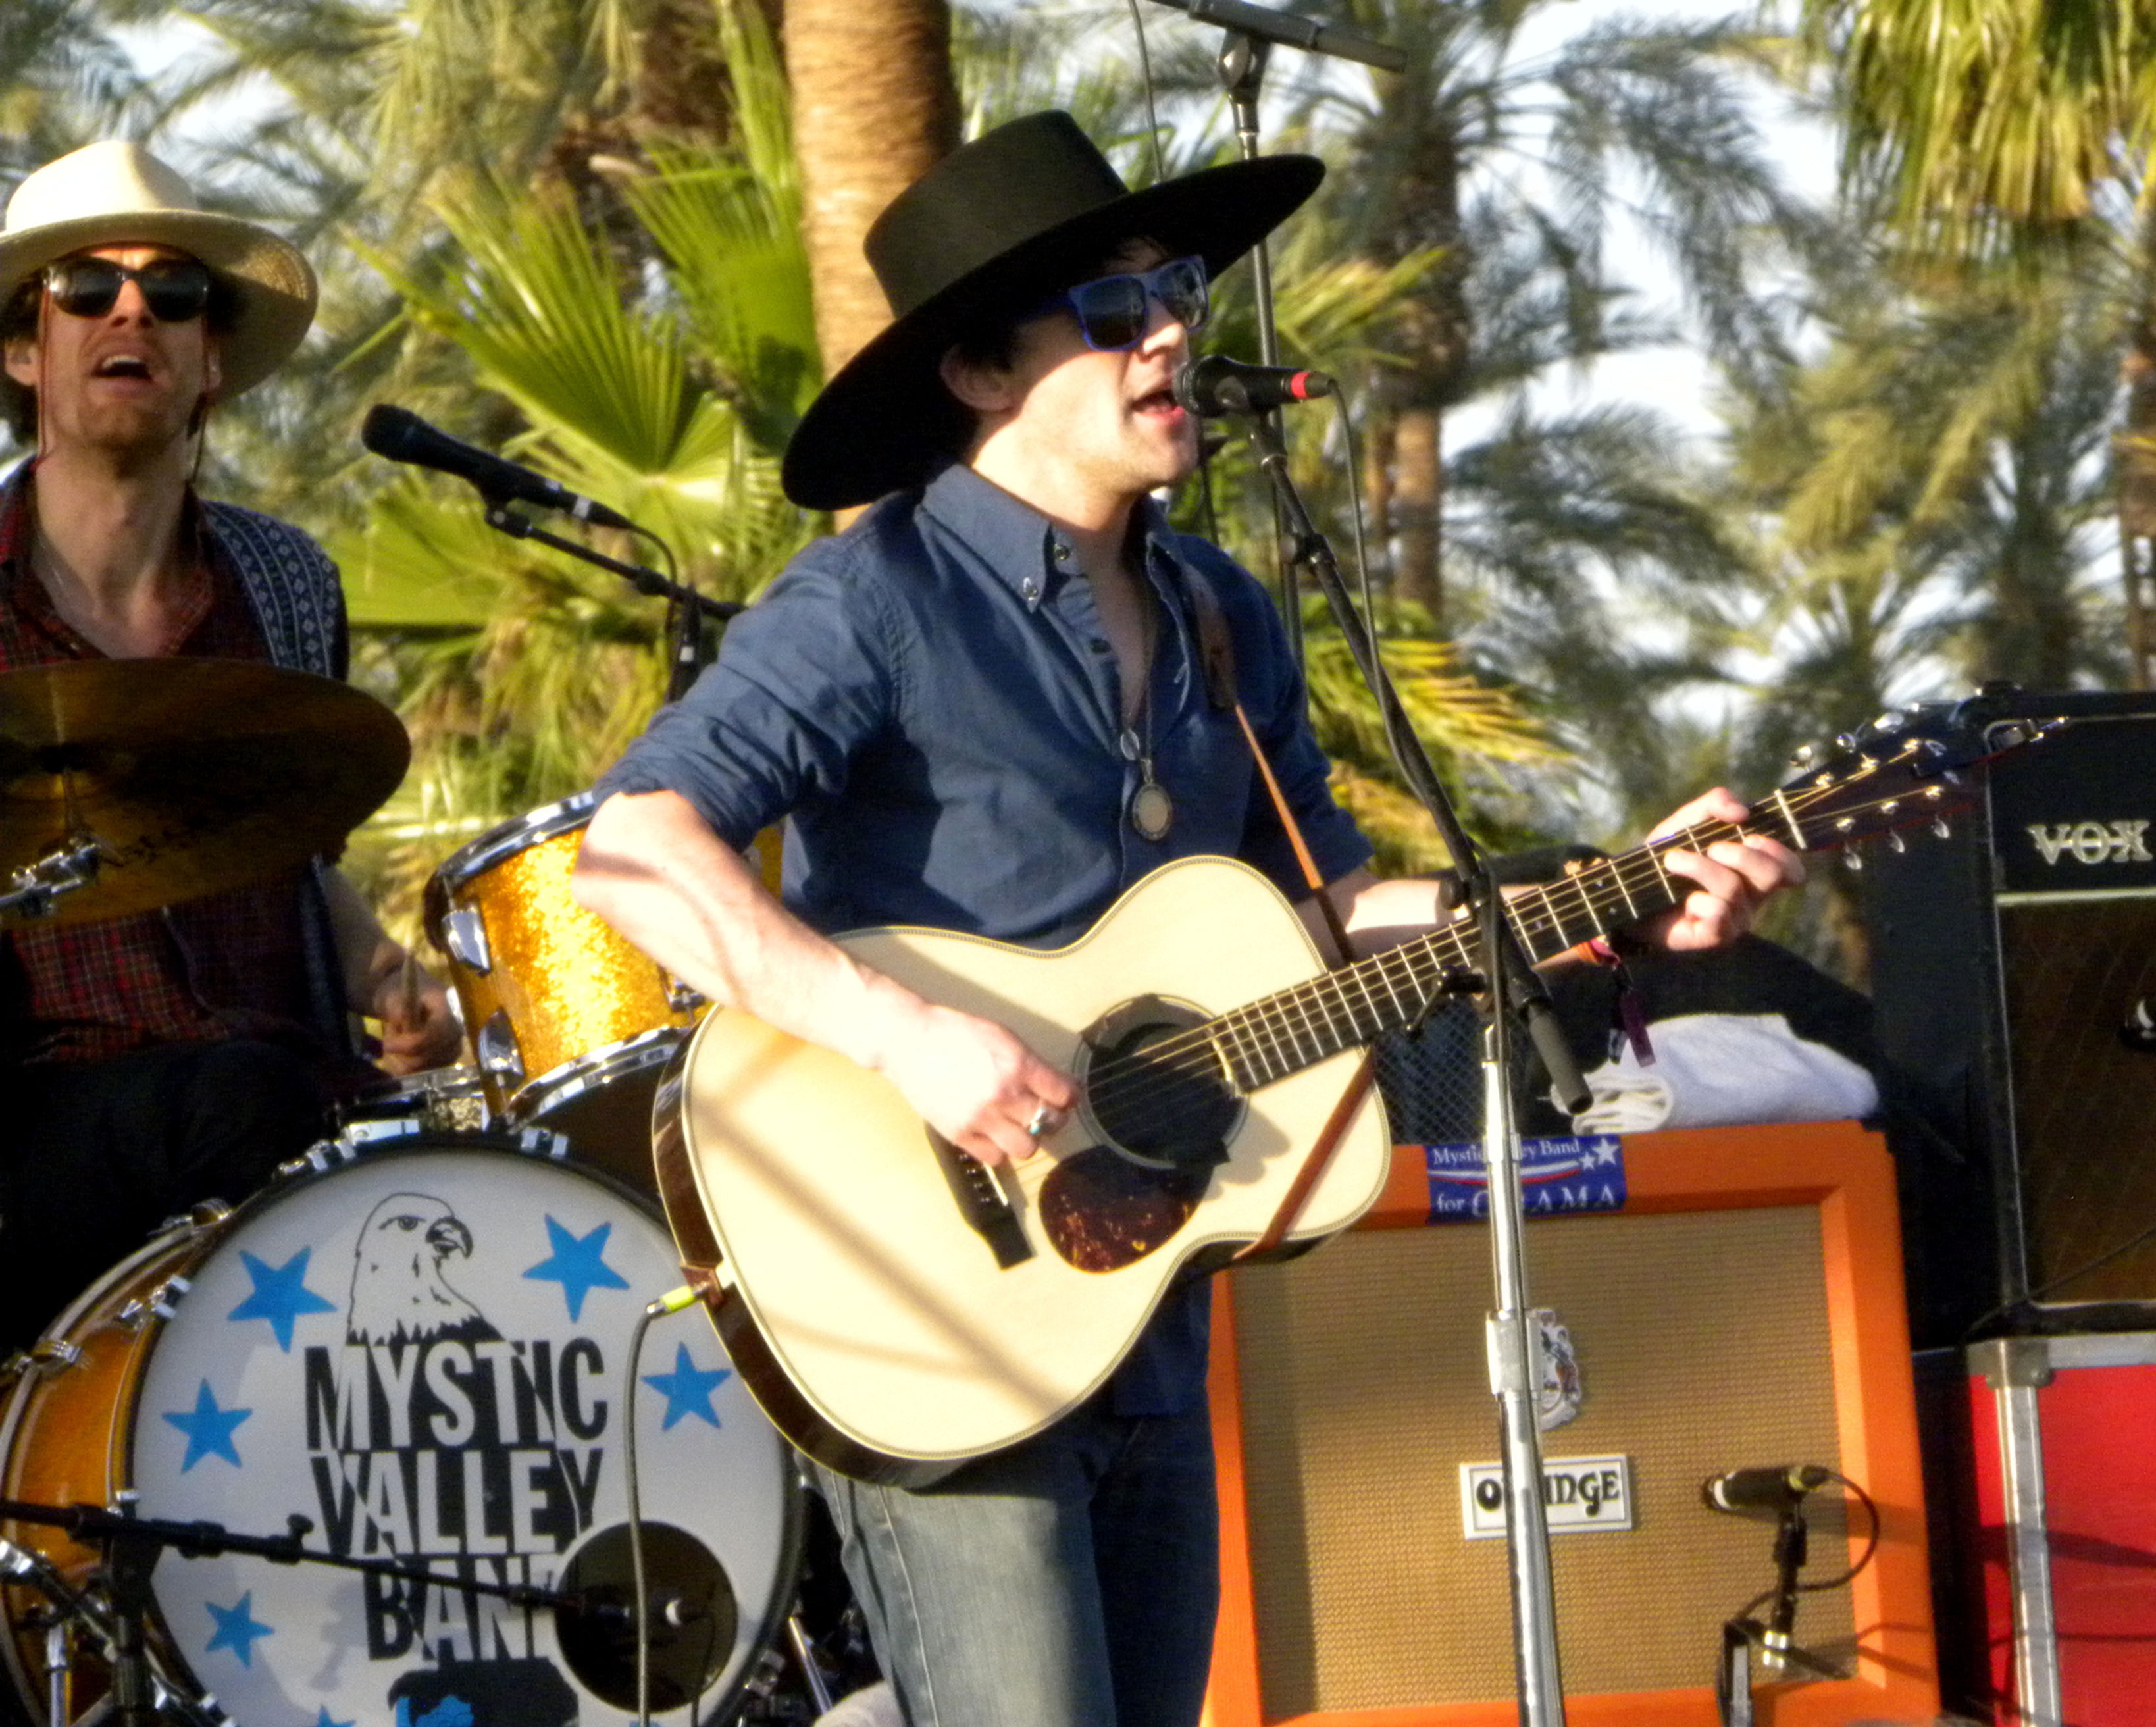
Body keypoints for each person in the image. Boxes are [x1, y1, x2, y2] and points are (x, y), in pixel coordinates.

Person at [572, 112, 1803, 1727]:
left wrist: (1600, 904)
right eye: (1110, 311)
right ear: (976, 373)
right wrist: (912, 1037)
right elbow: (634, 851)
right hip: (928, 1313)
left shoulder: (1222, 609)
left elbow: (1335, 916)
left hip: (1147, 1322)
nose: (1169, 334)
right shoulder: (872, 605)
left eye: (1179, 295)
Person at [0, 141, 461, 1347]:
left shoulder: (284, 582)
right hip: (35, 1118)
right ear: (23, 350)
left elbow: (295, 852)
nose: (135, 311)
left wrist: (393, 981)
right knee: (240, 1099)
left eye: (177, 293)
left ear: (208, 360)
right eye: (88, 289)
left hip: (282, 1084)